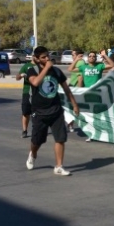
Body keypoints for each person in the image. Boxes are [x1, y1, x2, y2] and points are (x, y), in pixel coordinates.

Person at [25, 46, 80, 176]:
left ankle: (59, 166)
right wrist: (46, 68)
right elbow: (36, 83)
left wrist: (74, 104)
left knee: (60, 138)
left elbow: (66, 89)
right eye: (43, 57)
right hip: (39, 112)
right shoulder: (32, 70)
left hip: (56, 110)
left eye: (47, 56)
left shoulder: (56, 71)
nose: (47, 58)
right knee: (38, 140)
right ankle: (33, 154)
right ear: (36, 59)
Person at [15, 58, 36, 138]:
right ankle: (24, 130)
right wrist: (21, 75)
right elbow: (17, 77)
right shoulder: (26, 66)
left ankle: (36, 129)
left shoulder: (40, 66)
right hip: (27, 92)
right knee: (26, 112)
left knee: (36, 112)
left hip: (37, 92)